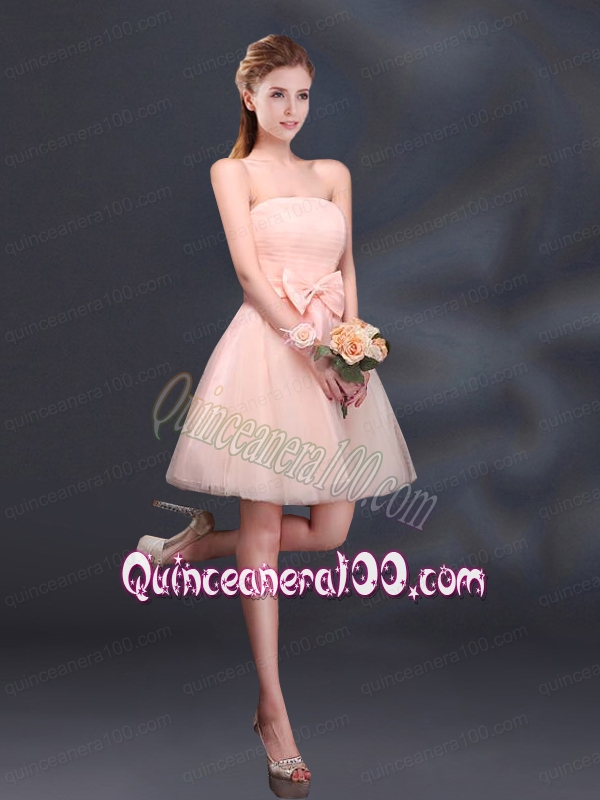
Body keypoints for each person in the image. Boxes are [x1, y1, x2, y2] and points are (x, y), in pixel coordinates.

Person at [137, 33, 417, 797]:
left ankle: (197, 545)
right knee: (263, 531)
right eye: (277, 94)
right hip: (270, 354)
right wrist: (310, 351)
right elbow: (249, 274)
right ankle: (274, 715)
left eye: (302, 95)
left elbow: (347, 267)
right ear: (249, 96)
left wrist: (354, 353)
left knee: (330, 531)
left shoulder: (333, 174)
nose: (292, 109)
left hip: (334, 355)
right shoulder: (232, 172)